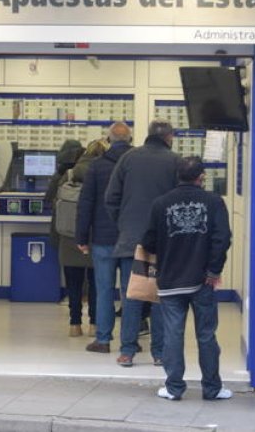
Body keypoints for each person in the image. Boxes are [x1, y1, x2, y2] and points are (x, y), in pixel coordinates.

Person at [141, 156, 233, 401]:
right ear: (201, 177)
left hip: (170, 280)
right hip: (202, 281)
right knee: (206, 335)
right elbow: (222, 238)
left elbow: (148, 241)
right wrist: (213, 270)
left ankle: (173, 388)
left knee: (173, 335)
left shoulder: (160, 204)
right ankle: (212, 389)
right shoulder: (214, 202)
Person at [105, 119, 179, 367]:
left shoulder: (128, 158)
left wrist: (124, 223)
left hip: (131, 240)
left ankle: (127, 351)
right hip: (165, 243)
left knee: (132, 296)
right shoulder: (175, 162)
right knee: (160, 297)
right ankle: (159, 353)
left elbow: (111, 197)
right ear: (169, 137)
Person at [75, 122, 132, 353]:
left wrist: (81, 236)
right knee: (131, 292)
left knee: (104, 289)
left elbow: (86, 203)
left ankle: (103, 339)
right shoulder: (136, 163)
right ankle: (130, 341)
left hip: (102, 238)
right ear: (129, 140)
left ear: (108, 140)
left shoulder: (97, 166)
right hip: (131, 238)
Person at [46, 138, 97, 337]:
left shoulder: (64, 175)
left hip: (67, 235)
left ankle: (74, 325)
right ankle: (94, 324)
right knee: (96, 283)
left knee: (73, 282)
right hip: (93, 235)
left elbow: (49, 197)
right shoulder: (100, 174)